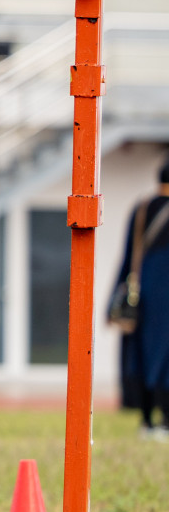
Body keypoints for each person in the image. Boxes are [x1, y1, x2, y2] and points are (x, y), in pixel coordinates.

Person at [111, 157, 169, 441]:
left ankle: (146, 420)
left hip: (143, 292)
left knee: (143, 356)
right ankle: (166, 421)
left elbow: (129, 256)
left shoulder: (142, 207)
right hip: (164, 297)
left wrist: (116, 294)